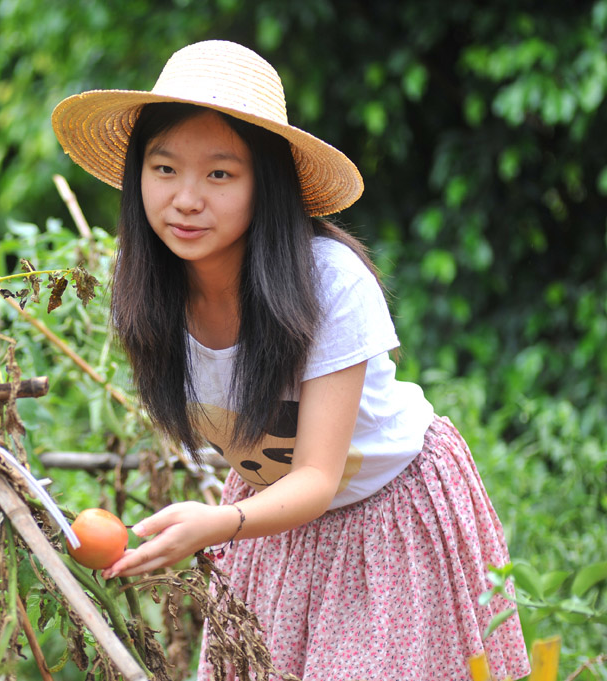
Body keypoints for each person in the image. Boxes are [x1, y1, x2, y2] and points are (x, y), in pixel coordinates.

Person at [51, 40, 530, 680]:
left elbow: (319, 476)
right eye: (164, 169)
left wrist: (218, 524)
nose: (186, 198)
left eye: (219, 174)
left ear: (265, 183)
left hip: (388, 520)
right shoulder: (151, 292)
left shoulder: (328, 284)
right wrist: (220, 523)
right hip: (274, 523)